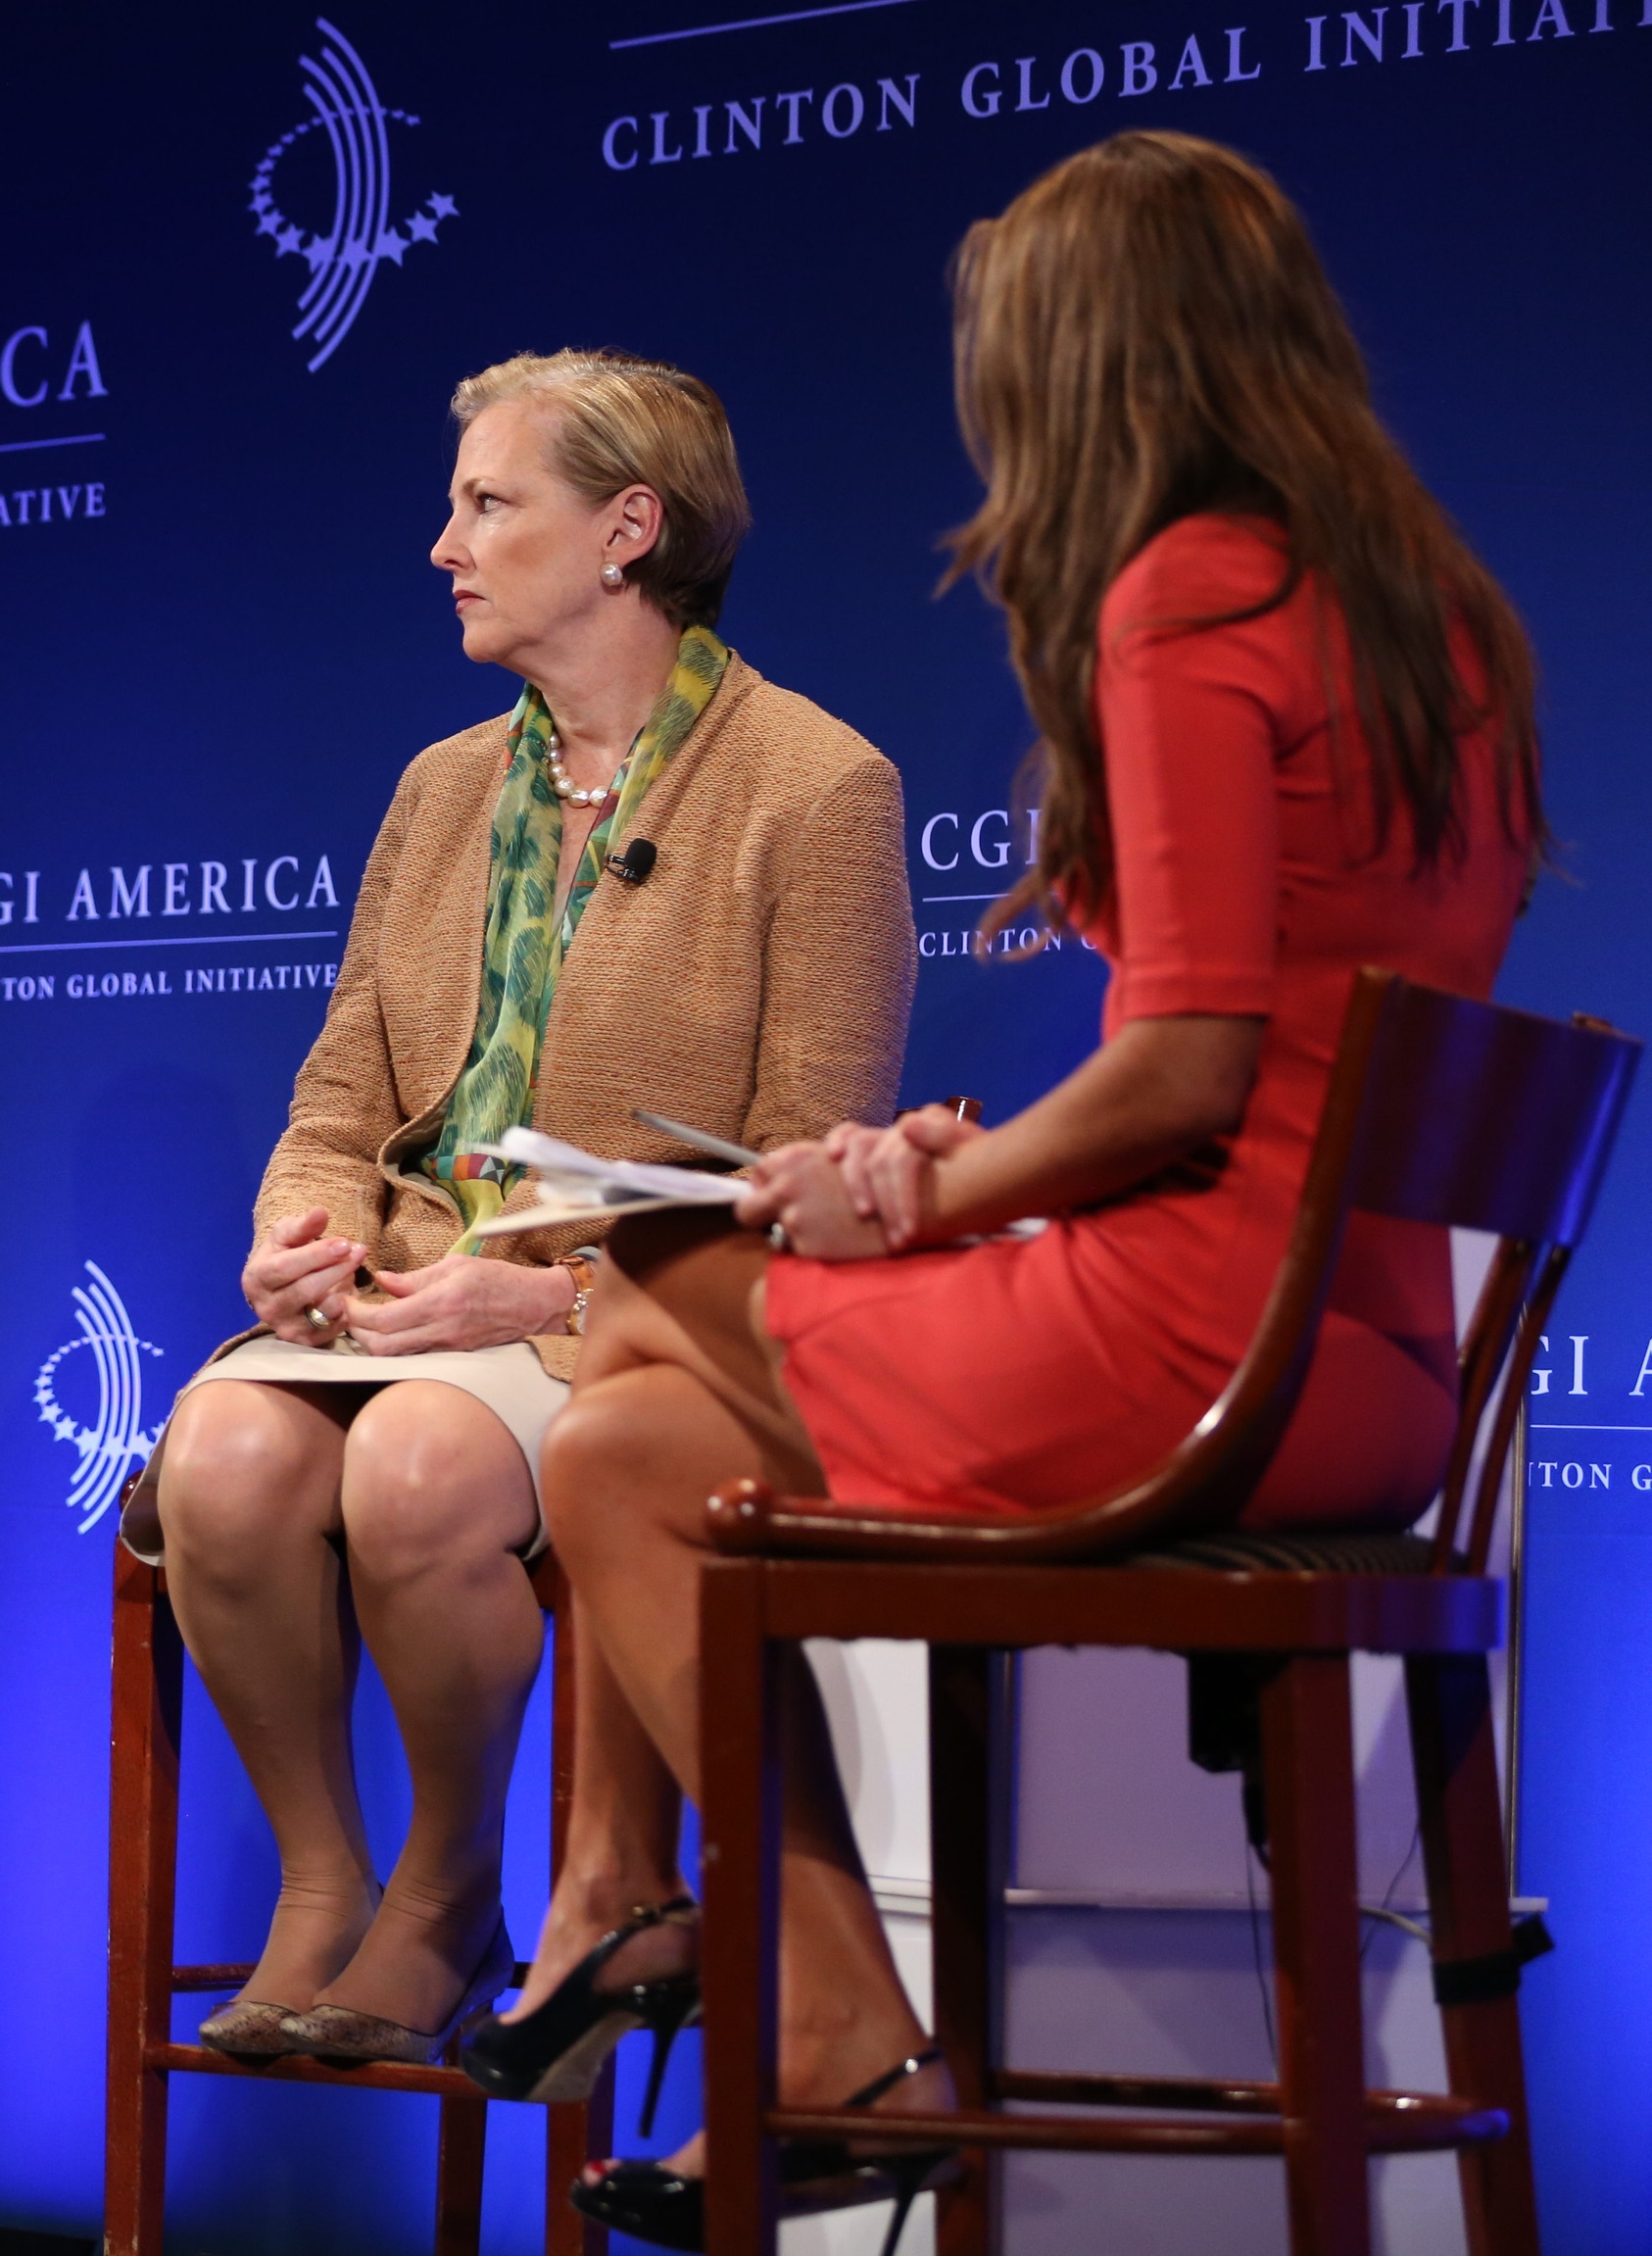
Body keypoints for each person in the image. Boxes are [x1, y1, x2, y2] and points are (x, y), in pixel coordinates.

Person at [458, 132, 1545, 2252]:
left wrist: (920, 1200)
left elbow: (1188, 1068)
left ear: (1084, 356)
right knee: (620, 1447)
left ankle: (704, 1942)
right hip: (1376, 1367)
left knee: (650, 1271)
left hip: (1209, 1349)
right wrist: (962, 1159)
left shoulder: (1188, 587)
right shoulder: (1433, 609)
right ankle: (728, 1955)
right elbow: (1276, 1056)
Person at [120, 348, 916, 2065]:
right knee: (224, 1456)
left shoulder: (815, 788)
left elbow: (808, 1177)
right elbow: (340, 1096)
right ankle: (322, 1882)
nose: (444, 545)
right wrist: (303, 1229)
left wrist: (554, 1298)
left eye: (488, 504)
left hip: (635, 1329)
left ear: (629, 530)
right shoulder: (439, 788)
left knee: (418, 1461)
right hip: (405, 1297)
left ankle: (447, 1893)